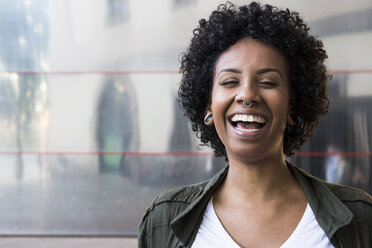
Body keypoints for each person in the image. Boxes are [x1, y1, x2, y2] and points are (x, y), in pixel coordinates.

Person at [138, 2, 372, 247]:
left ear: (293, 105)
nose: (247, 95)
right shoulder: (162, 222)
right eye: (230, 81)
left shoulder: (361, 219)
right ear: (208, 106)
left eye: (268, 82)